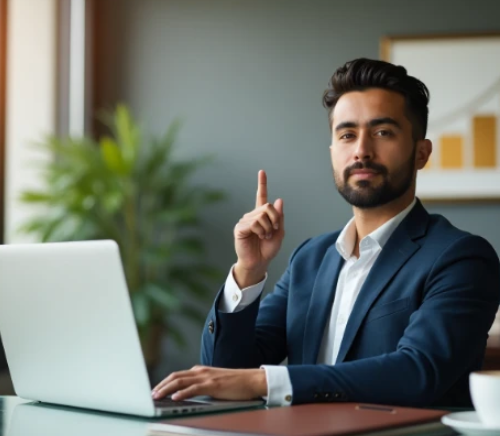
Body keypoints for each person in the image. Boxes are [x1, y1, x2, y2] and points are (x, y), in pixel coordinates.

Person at [152, 58, 500, 407]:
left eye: (383, 132)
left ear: (421, 153)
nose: (361, 150)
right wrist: (248, 271)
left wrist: (265, 379)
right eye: (347, 135)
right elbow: (225, 374)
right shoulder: (311, 258)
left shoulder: (462, 257)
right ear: (334, 153)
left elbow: (418, 371)